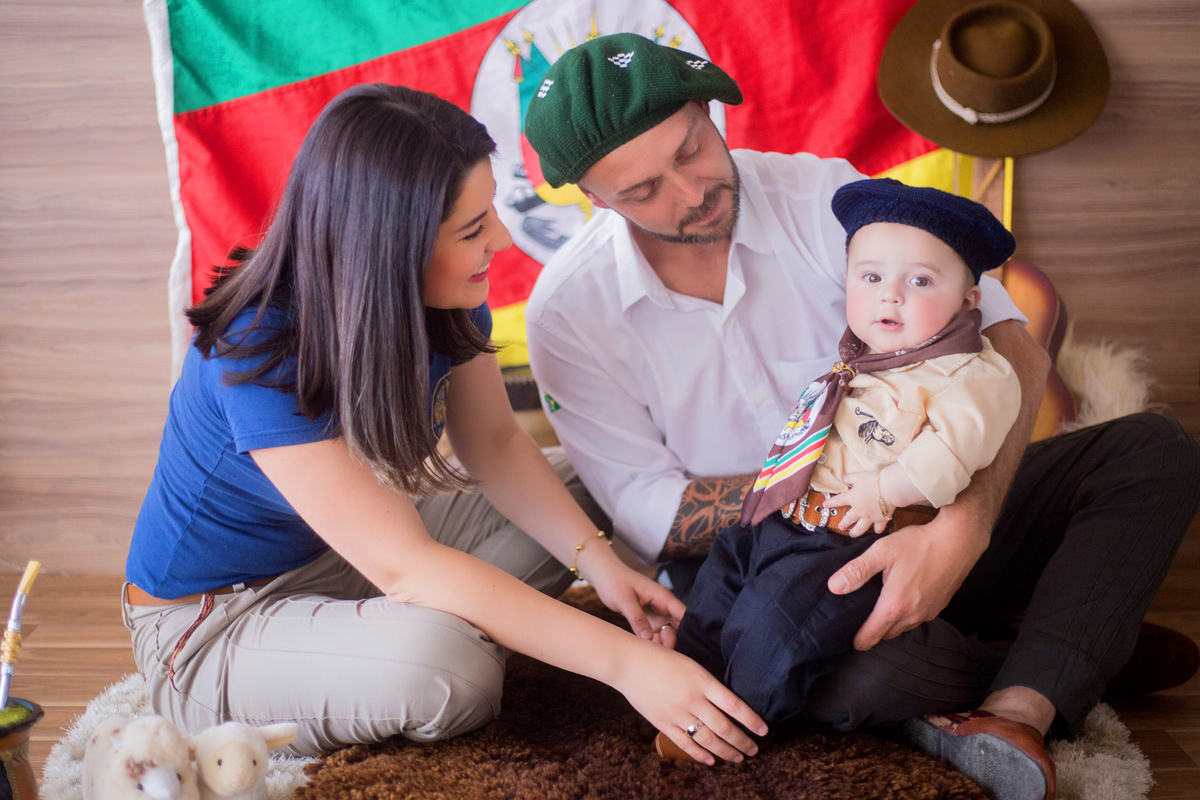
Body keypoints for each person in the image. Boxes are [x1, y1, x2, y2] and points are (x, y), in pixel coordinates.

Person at [523, 33, 1200, 798]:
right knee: (850, 683)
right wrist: (828, 502)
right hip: (766, 567)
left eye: (691, 150)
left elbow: (1013, 346)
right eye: (642, 192)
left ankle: (1020, 703)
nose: (688, 194)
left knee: (1152, 451)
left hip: (939, 488)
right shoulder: (567, 314)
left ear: (710, 109)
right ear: (595, 199)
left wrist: (958, 528)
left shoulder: (823, 200)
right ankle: (1071, 646)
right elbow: (649, 513)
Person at [121, 82, 767, 766]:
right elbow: (409, 564)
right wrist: (627, 666)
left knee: (593, 485)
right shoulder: (260, 348)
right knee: (451, 672)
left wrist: (600, 567)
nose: (502, 239)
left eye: (489, 210)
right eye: (471, 229)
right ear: (389, 248)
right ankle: (423, 634)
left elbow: (493, 445)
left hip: (347, 555)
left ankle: (418, 627)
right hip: (214, 624)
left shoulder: (445, 297)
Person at [670, 178, 1022, 745]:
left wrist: (884, 489)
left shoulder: (972, 374)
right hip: (783, 515)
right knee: (716, 591)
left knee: (774, 632)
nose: (891, 296)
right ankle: (685, 682)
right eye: (872, 277)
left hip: (844, 538)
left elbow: (953, 452)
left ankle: (730, 728)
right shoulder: (863, 359)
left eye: (921, 281)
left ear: (969, 301)